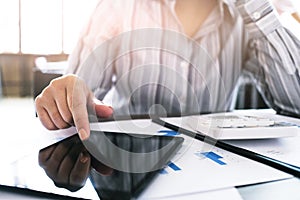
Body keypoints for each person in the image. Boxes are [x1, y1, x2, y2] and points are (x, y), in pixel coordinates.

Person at [35, 0, 300, 142]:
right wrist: (66, 96)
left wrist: (255, 6)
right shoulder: (119, 7)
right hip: (128, 167)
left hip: (215, 170)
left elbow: (296, 102)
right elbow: (77, 95)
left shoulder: (244, 19)